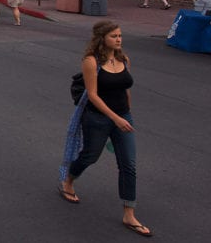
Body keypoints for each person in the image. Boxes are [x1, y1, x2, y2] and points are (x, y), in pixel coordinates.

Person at [60, 21, 151, 237]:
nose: (118, 39)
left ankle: (129, 213)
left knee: (128, 164)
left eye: (120, 36)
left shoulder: (123, 59)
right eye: (114, 36)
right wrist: (115, 118)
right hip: (97, 118)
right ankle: (69, 179)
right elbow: (93, 95)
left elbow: (125, 88)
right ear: (102, 38)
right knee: (90, 156)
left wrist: (126, 113)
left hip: (122, 117)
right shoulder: (91, 62)